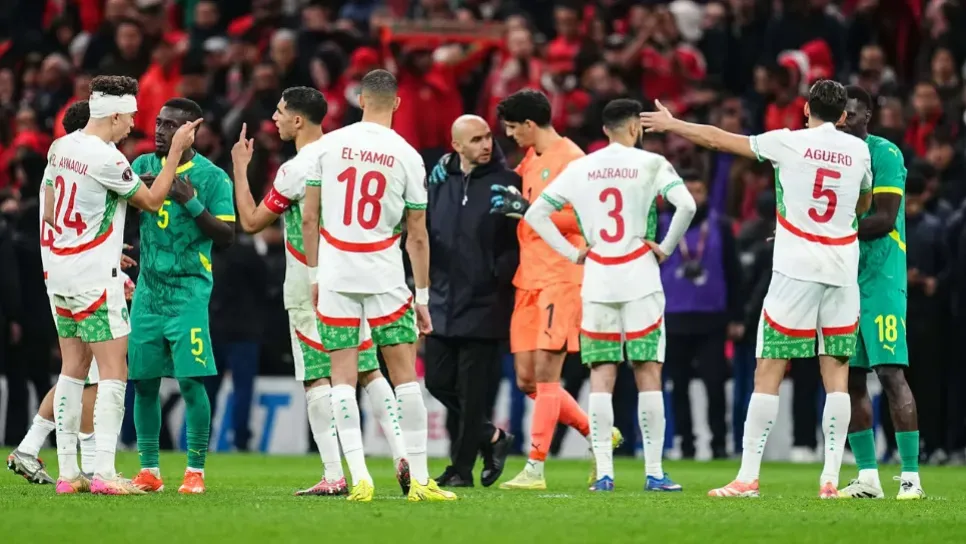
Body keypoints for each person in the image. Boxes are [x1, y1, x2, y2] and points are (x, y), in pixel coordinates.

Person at [642, 80, 873, 498]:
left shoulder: (788, 141)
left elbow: (718, 140)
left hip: (795, 270)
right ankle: (829, 480)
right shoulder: (859, 150)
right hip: (842, 270)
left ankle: (748, 476)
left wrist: (674, 124)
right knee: (836, 372)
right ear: (843, 116)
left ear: (806, 109)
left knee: (769, 367)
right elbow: (863, 204)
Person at [231, 86, 411, 497]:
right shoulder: (345, 154)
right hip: (352, 279)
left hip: (307, 284)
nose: (274, 119)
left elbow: (252, 222)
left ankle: (334, 474)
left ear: (298, 120)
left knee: (317, 378)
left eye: (280, 112)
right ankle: (403, 454)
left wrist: (241, 168)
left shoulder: (297, 168)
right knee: (367, 369)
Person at [524, 98, 695, 492]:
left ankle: (604, 473)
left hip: (599, 278)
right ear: (636, 128)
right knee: (648, 371)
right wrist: (666, 248)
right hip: (640, 278)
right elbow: (686, 205)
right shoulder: (651, 163)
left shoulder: (581, 168)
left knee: (601, 375)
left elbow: (536, 214)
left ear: (605, 130)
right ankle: (654, 472)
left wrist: (573, 253)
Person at [302, 69, 456, 502]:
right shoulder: (408, 155)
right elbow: (418, 234)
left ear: (360, 99)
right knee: (404, 377)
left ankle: (360, 478)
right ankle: (420, 480)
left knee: (342, 377)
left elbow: (309, 218)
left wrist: (315, 276)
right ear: (398, 104)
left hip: (336, 272)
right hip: (385, 274)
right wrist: (422, 296)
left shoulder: (327, 145)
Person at [44, 75, 196, 495]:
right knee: (114, 371)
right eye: (130, 117)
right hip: (94, 277)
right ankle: (105, 473)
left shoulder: (61, 147)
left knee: (72, 370)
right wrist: (175, 154)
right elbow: (152, 201)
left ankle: (68, 473)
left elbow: (50, 208)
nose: (134, 125)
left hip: (60, 272)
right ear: (114, 115)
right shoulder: (108, 159)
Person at [492, 88, 621, 491]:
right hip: (528, 278)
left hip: (561, 277)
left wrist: (528, 211)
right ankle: (599, 433)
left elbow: (586, 218)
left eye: (513, 128)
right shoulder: (531, 159)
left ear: (530, 124)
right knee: (527, 381)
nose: (510, 135)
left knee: (548, 377)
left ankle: (535, 468)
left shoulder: (574, 160)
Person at [7, 100, 136, 485]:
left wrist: (110, 250)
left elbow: (61, 226)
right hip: (84, 280)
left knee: (76, 370)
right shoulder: (93, 163)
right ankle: (93, 465)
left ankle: (44, 453)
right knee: (92, 375)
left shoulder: (57, 174)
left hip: (59, 277)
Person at [127, 97, 234, 495]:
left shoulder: (212, 177)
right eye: (159, 123)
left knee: (190, 381)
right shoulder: (142, 165)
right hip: (148, 292)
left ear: (193, 130)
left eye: (171, 126)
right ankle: (149, 470)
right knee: (144, 383)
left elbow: (227, 236)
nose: (160, 131)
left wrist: (191, 201)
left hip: (189, 290)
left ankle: (195, 471)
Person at [837, 85, 925, 500]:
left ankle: (910, 478)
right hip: (844, 279)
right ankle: (868, 477)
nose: (844, 122)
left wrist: (829, 231)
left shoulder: (885, 154)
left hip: (882, 278)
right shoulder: (833, 157)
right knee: (850, 377)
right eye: (840, 115)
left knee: (890, 374)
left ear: (868, 116)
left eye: (852, 114)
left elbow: (886, 218)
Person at [423, 114, 518, 488]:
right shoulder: (438, 182)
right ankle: (492, 437)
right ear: (456, 146)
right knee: (436, 381)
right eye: (476, 139)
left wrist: (497, 276)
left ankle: (461, 470)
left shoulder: (506, 183)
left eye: (488, 137)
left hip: (484, 302)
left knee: (472, 392)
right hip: (442, 299)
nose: (486, 144)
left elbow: (515, 242)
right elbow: (425, 230)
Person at [660, 170, 744, 460]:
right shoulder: (662, 225)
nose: (694, 197)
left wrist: (737, 316)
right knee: (678, 386)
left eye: (699, 191)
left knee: (715, 385)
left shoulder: (720, 225)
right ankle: (686, 444)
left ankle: (719, 443)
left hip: (712, 318)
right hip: (673, 317)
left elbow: (734, 272)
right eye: (688, 191)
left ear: (707, 194)